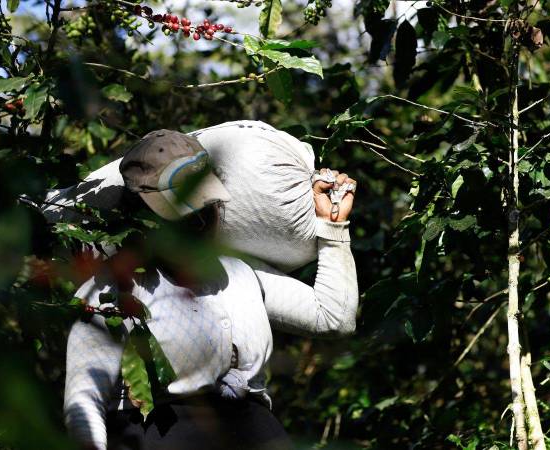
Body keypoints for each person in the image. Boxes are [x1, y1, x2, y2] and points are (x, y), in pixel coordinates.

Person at [62, 129, 358, 450]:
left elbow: (334, 317)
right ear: (143, 216)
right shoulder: (111, 290)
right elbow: (84, 402)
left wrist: (332, 226)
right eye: (181, 216)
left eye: (206, 208)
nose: (200, 223)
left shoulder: (240, 273)